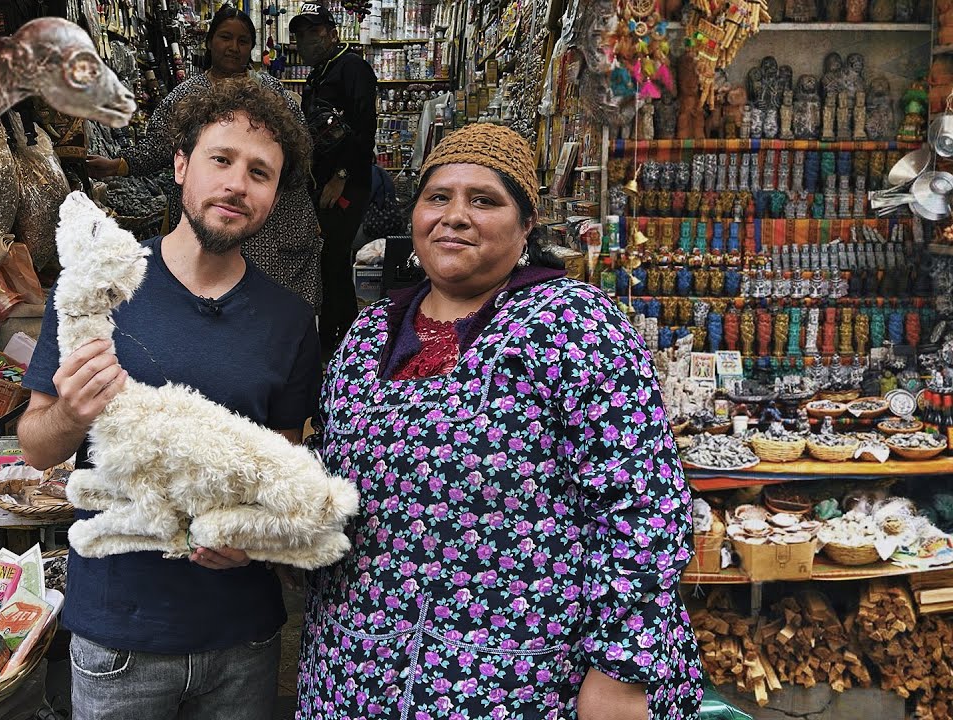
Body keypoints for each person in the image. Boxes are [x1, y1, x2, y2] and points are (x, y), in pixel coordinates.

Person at [296, 124, 703, 720]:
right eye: (438, 197)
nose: (454, 216)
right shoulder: (368, 336)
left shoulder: (573, 325)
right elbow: (331, 490)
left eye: (484, 200)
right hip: (356, 670)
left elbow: (643, 507)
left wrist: (621, 672)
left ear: (526, 226)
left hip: (518, 678)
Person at [19, 81, 321, 720]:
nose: (237, 184)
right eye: (221, 159)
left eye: (259, 172)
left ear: (273, 195)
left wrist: (256, 539)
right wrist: (72, 412)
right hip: (120, 636)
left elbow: (283, 460)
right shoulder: (101, 286)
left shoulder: (289, 320)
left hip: (242, 636)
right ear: (182, 164)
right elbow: (36, 443)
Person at [87, 5, 322, 309]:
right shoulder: (188, 94)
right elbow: (158, 146)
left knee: (274, 311)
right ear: (210, 41)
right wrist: (118, 166)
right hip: (211, 223)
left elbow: (297, 159)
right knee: (205, 300)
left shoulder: (273, 92)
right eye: (226, 37)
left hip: (275, 227)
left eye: (242, 41)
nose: (233, 47)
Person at [289, 1, 377, 351]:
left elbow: (365, 128)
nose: (306, 40)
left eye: (314, 31)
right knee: (331, 261)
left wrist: (341, 174)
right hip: (320, 182)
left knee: (332, 256)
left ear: (331, 32)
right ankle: (337, 336)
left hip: (346, 183)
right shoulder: (318, 74)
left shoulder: (352, 68)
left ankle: (337, 337)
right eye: (300, 34)